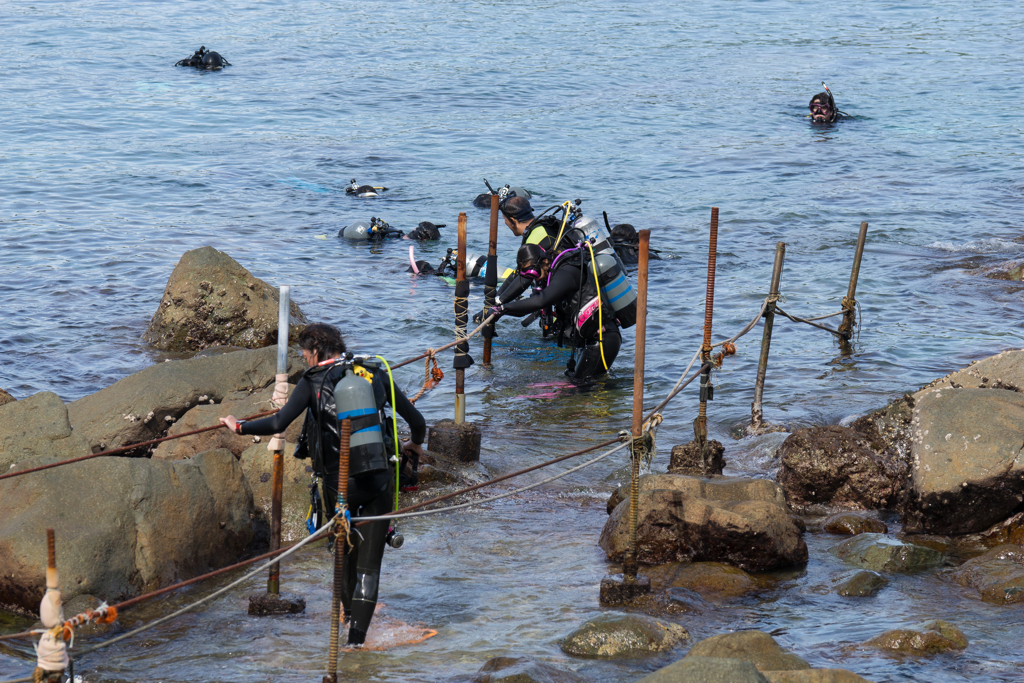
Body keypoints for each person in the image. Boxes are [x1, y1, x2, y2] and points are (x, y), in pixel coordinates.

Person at [219, 323, 425, 645]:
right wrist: (414, 445)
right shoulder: (375, 370)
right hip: (379, 480)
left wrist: (238, 426)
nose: (304, 360)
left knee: (343, 559)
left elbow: (278, 422)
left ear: (315, 350)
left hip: (339, 484)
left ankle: (347, 620)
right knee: (369, 570)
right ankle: (357, 643)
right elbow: (417, 421)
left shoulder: (312, 381)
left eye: (304, 354)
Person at [490, 244, 621, 379]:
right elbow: (527, 308)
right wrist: (501, 310)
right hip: (593, 340)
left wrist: (504, 308)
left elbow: (541, 301)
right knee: (583, 386)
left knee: (581, 390)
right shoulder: (550, 273)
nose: (533, 278)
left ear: (545, 261)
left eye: (533, 272)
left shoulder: (566, 272)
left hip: (603, 339)